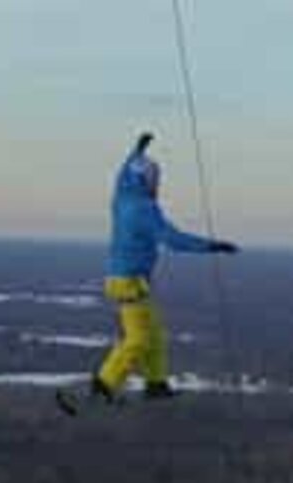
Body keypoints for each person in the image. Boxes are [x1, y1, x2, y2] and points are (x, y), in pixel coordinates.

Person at [65, 132, 238, 411]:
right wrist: (211, 246)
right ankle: (104, 384)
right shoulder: (144, 209)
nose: (158, 185)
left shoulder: (122, 195)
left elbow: (126, 169)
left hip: (123, 280)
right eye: (155, 180)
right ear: (146, 181)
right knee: (138, 339)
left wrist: (138, 148)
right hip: (130, 283)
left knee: (155, 334)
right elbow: (173, 240)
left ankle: (156, 383)